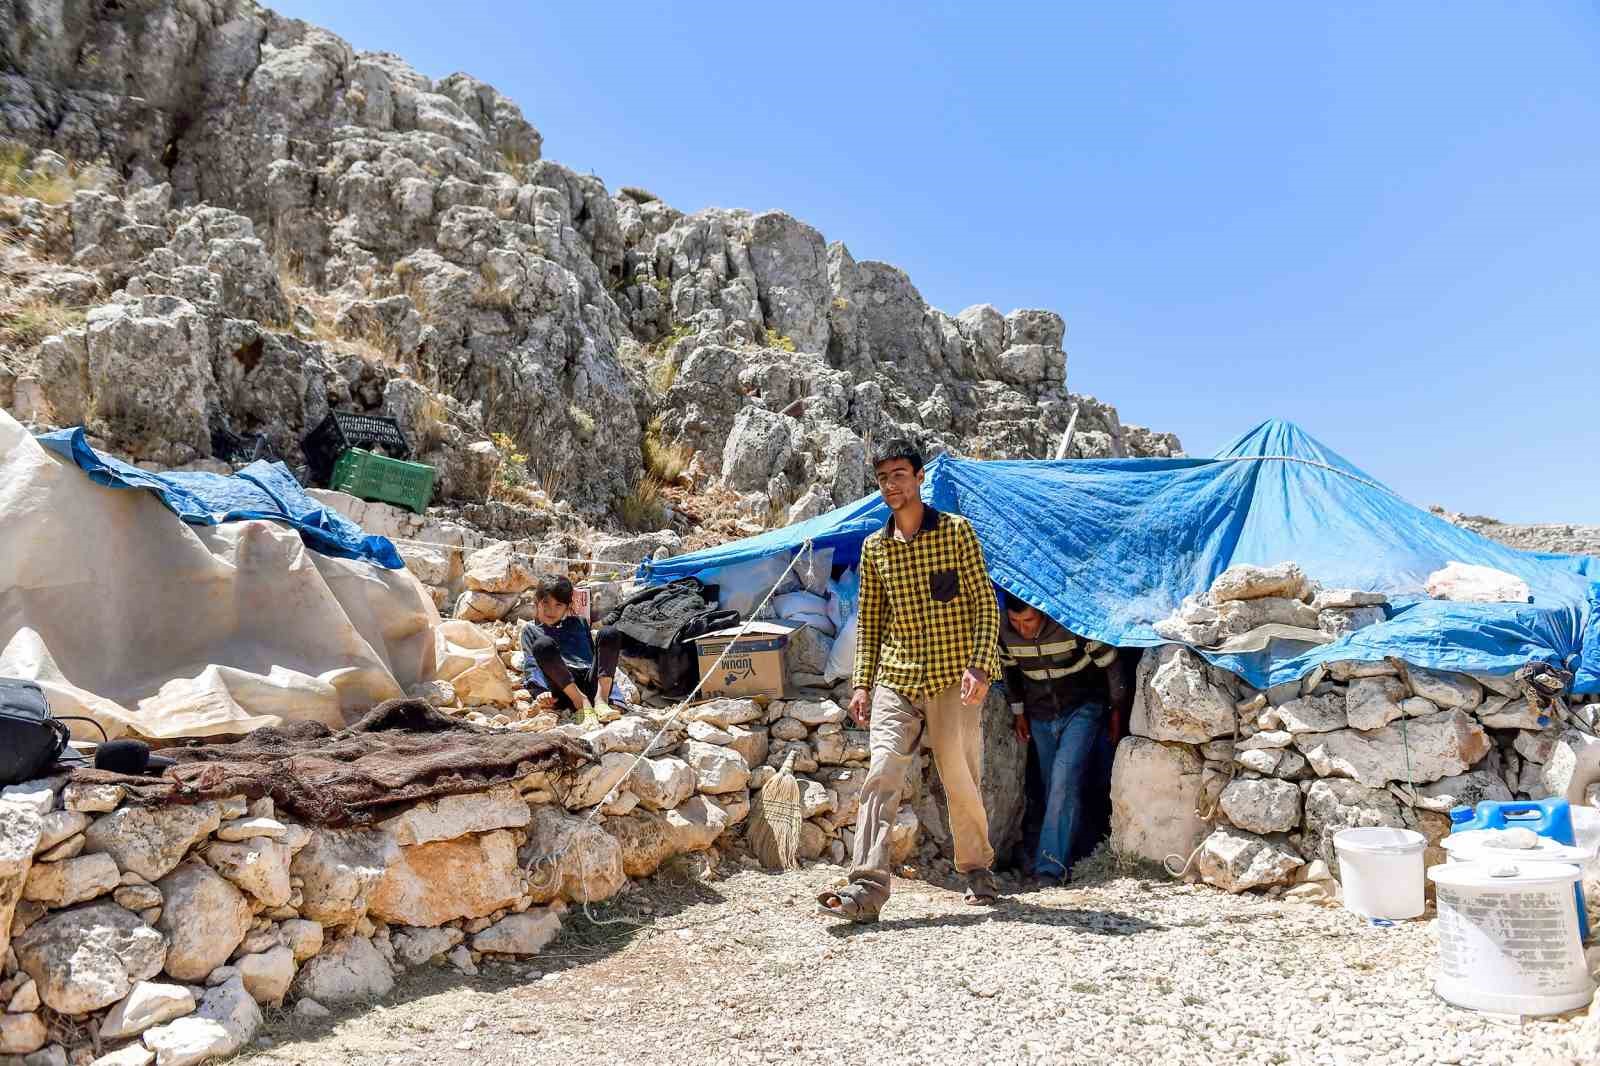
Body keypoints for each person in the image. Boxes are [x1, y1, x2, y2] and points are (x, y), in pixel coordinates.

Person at [816, 439, 1002, 923]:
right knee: (881, 773)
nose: (891, 486)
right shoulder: (875, 547)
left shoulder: (957, 533)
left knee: (959, 775)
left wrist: (980, 665)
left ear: (920, 478)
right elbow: (871, 619)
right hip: (896, 678)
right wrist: (861, 684)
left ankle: (977, 867)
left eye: (899, 474)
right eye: (882, 479)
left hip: (951, 676)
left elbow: (985, 603)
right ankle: (866, 887)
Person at [1000, 592, 1129, 885]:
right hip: (1040, 715)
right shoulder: (1004, 633)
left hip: (1082, 709)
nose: (1023, 628)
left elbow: (1111, 663)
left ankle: (1050, 869)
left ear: (1042, 613)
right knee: (1053, 787)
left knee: (1063, 780)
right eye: (1015, 621)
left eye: (1029, 620)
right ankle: (1075, 851)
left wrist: (1116, 713)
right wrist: (1018, 712)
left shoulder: (1071, 624)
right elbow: (1009, 673)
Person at [520, 574, 622, 724]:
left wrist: (616, 695)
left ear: (567, 607)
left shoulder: (579, 623)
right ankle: (581, 704)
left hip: (590, 683)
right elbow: (531, 663)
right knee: (543, 645)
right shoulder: (531, 630)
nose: (551, 610)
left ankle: (602, 701)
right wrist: (540, 692)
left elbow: (598, 661)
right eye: (545, 603)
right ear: (537, 603)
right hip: (564, 688)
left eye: (558, 605)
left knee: (610, 633)